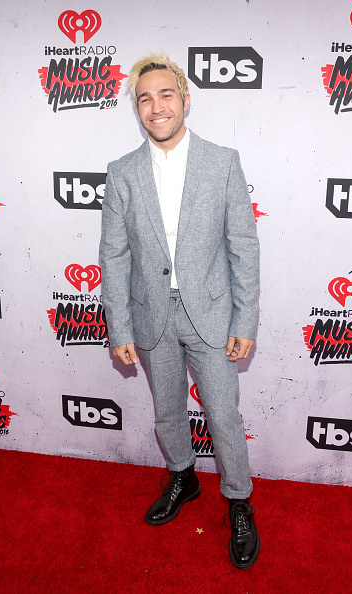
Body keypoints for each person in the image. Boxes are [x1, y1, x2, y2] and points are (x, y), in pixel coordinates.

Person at [99, 51, 261, 569]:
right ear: (137, 109)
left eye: (166, 94)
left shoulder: (223, 160)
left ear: (185, 100)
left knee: (223, 414)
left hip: (211, 315)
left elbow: (243, 247)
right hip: (150, 317)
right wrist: (118, 324)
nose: (156, 106)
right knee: (167, 411)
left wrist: (244, 320)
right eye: (145, 98)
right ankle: (183, 477)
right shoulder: (121, 172)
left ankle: (238, 500)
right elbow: (114, 255)